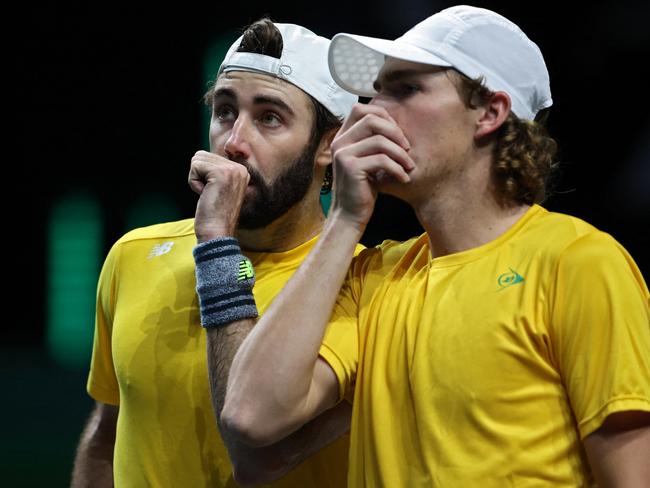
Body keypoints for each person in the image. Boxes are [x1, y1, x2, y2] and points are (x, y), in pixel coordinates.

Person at [207, 6, 650, 486]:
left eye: (405, 90)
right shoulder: (372, 275)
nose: (369, 112)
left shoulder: (578, 262)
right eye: (376, 92)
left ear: (489, 113)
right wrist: (345, 218)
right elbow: (249, 418)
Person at [71, 19, 359, 487]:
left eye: (270, 117)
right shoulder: (133, 255)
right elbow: (108, 433)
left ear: (329, 143)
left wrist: (215, 242)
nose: (233, 143)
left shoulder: (365, 283)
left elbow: (251, 439)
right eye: (225, 111)